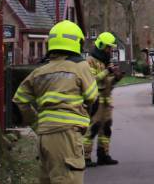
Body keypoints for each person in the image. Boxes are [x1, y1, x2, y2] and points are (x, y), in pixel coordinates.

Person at [13, 20, 99, 184]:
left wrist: (37, 123)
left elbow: (19, 100)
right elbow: (92, 96)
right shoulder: (80, 66)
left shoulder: (40, 71)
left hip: (44, 137)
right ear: (76, 42)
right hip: (66, 136)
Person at [83, 31, 122, 167]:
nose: (110, 50)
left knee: (106, 128)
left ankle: (103, 155)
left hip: (106, 101)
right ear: (101, 45)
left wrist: (116, 78)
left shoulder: (106, 61)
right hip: (96, 100)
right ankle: (85, 157)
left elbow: (106, 83)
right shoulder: (90, 61)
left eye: (111, 48)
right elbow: (91, 80)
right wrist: (107, 71)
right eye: (108, 47)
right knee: (93, 128)